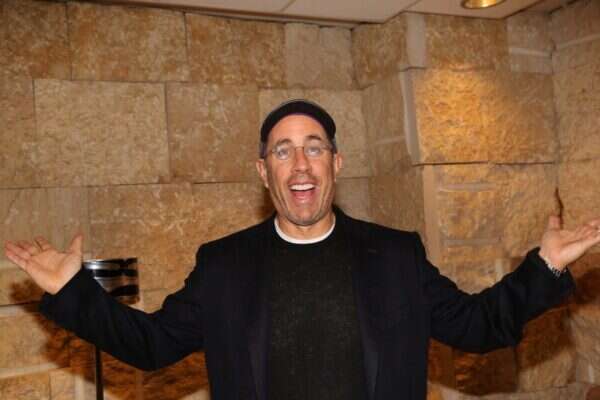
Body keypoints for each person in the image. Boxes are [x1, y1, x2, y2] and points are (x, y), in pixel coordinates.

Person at [4, 99, 600, 400]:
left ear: (336, 164)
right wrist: (72, 292)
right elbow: (152, 344)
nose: (300, 164)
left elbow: (479, 325)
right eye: (282, 151)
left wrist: (545, 266)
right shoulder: (223, 265)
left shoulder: (396, 256)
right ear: (264, 171)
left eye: (314, 148)